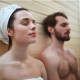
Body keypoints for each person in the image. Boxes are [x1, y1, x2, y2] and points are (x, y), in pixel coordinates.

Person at [0, 4, 47, 80]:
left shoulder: (39, 65)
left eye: (33, 23)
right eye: (25, 23)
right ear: (9, 31)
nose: (33, 26)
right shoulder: (1, 67)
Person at [40, 12, 80, 80]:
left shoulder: (71, 52)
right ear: (50, 29)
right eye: (63, 25)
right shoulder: (48, 56)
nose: (69, 28)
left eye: (68, 25)